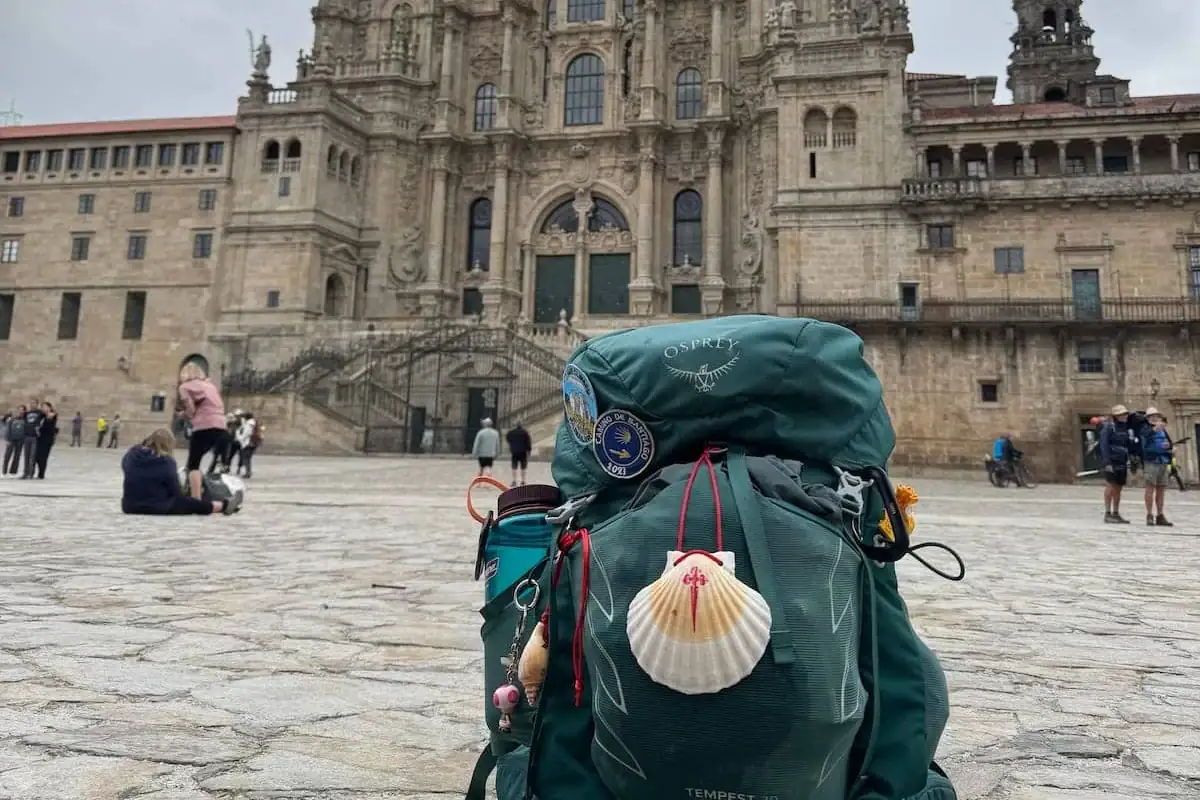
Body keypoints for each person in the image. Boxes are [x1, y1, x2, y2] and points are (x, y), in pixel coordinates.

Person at [121, 428, 241, 516]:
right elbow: (176, 493)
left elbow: (125, 467)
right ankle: (222, 506)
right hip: (157, 507)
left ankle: (222, 505)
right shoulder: (167, 462)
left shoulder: (132, 454)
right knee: (188, 503)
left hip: (129, 505)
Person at [177, 362, 228, 500]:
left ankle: (195, 498)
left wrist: (182, 415)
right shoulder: (211, 386)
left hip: (204, 426)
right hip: (221, 426)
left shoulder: (185, 387)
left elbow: (191, 410)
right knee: (203, 459)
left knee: (193, 464)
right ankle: (202, 489)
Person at [1136, 407, 1174, 527]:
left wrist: (1170, 448)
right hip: (1151, 462)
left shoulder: (1163, 430)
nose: (1154, 418)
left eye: (1156, 416)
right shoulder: (1145, 429)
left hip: (1163, 461)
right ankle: (1149, 515)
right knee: (1150, 489)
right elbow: (1143, 446)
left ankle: (1160, 515)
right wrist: (1153, 430)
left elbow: (1169, 444)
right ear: (1147, 418)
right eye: (1151, 416)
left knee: (1161, 490)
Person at [1098, 404, 1133, 523]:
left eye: (1125, 414)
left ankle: (1116, 512)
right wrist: (1107, 462)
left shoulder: (1125, 428)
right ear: (1116, 416)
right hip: (1111, 460)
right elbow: (1104, 445)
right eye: (1121, 414)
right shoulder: (1108, 427)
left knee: (1118, 488)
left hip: (1122, 460)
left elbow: (1128, 444)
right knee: (1110, 486)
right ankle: (1107, 513)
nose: (1124, 416)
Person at [20, 401, 45, 480]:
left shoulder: (40, 413)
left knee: (32, 456)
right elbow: (20, 416)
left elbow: (49, 413)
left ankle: (31, 473)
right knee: (26, 455)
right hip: (26, 436)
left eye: (34, 403)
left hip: (34, 437)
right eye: (31, 403)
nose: (32, 404)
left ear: (37, 404)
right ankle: (25, 473)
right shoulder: (27, 413)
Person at [33, 401, 58, 479]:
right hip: (39, 438)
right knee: (36, 456)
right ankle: (36, 472)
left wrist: (48, 419)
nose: (43, 408)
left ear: (49, 408)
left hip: (47, 439)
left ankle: (41, 474)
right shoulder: (41, 415)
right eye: (42, 407)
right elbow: (36, 423)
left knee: (43, 457)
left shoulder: (53, 416)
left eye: (45, 407)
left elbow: (50, 427)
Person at [506, 421, 532, 486]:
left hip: (514, 451)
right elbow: (528, 442)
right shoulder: (525, 432)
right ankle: (523, 481)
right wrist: (529, 450)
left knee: (514, 466)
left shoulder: (511, 432)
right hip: (523, 452)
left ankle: (514, 480)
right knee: (523, 467)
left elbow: (508, 438)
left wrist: (512, 444)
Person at [4, 406, 26, 475]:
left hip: (20, 440)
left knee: (17, 456)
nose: (20, 411)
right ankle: (4, 470)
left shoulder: (25, 419)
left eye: (22, 410)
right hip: (11, 439)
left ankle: (13, 471)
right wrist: (7, 439)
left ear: (24, 411)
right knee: (7, 455)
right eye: (19, 409)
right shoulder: (12, 419)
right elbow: (8, 429)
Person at [235, 412, 258, 478]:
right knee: (248, 458)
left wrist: (238, 436)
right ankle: (248, 471)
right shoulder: (254, 423)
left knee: (246, 459)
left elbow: (245, 434)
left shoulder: (248, 424)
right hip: (253, 443)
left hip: (247, 443)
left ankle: (248, 472)